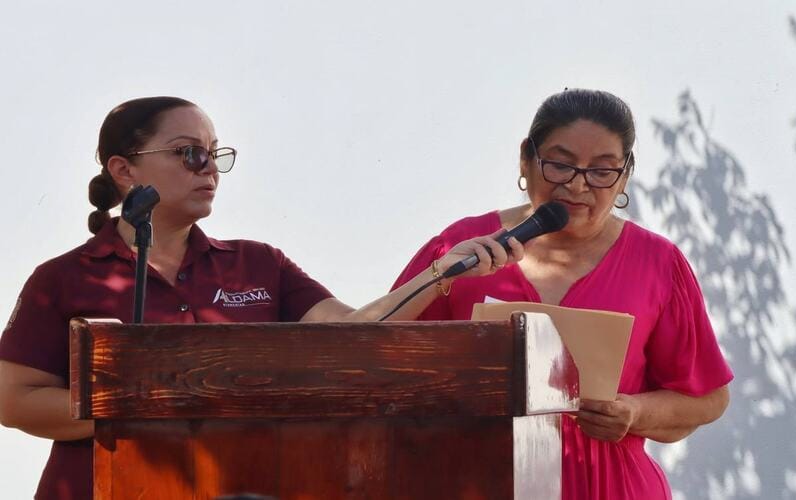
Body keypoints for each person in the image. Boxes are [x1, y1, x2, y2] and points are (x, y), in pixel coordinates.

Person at [0, 96, 523, 500]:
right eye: (189, 153)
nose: (209, 168)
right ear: (124, 169)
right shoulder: (64, 277)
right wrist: (134, 408)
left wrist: (439, 273)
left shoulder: (259, 264)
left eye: (214, 154)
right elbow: (13, 399)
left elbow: (355, 336)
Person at [392, 88, 733, 499]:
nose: (577, 184)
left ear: (625, 175)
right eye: (560, 165)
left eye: (602, 171)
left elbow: (707, 398)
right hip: (477, 482)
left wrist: (634, 412)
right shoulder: (462, 248)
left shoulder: (658, 264)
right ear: (526, 159)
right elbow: (379, 359)